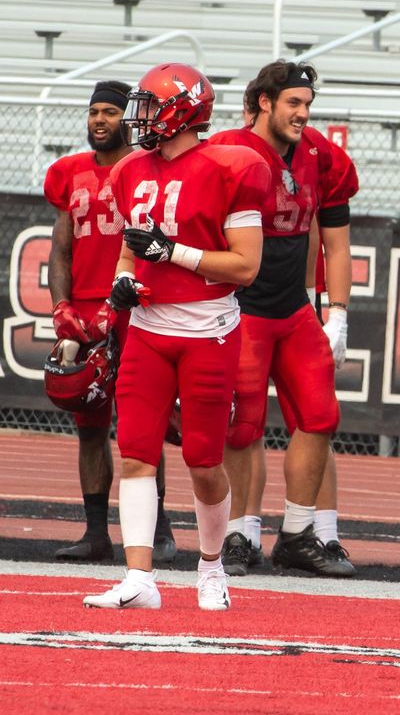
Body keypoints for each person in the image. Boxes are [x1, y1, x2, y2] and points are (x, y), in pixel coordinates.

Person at [82, 62, 269, 610]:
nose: (138, 117)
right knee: (136, 452)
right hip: (147, 329)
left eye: (149, 106)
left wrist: (176, 254)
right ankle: (140, 578)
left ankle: (211, 567)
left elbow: (246, 266)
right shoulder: (131, 169)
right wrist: (122, 279)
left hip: (206, 330)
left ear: (183, 111)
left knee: (203, 459)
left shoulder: (232, 166)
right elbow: (130, 249)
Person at [210, 61, 357, 578]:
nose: (303, 113)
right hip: (242, 308)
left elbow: (337, 245)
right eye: (293, 103)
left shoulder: (322, 155)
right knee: (243, 427)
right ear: (265, 102)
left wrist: (335, 314)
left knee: (320, 417)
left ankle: (297, 533)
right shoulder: (226, 152)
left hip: (292, 309)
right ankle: (238, 533)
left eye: (308, 104)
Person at [44, 80, 175, 564]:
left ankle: (157, 529)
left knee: (142, 423)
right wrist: (61, 306)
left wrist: (118, 303)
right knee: (90, 425)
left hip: (135, 306)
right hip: (82, 309)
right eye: (94, 111)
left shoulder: (146, 170)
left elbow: (151, 244)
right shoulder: (67, 171)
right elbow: (61, 250)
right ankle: (97, 531)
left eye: (110, 112)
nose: (100, 120)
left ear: (129, 118)